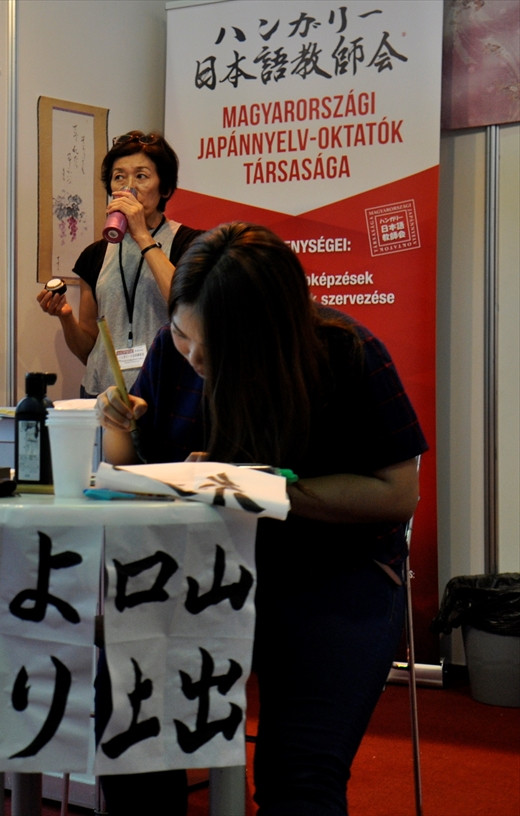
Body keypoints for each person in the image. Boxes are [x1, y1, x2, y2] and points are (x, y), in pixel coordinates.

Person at [96, 222, 427, 815]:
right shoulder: (173, 353)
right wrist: (116, 426)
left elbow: (396, 492)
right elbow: (134, 472)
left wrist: (264, 488)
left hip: (331, 575)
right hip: (198, 573)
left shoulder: (346, 352)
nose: (195, 357)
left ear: (267, 335)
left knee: (297, 779)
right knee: (130, 741)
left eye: (214, 346)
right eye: (183, 336)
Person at [36, 130, 203, 398]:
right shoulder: (94, 255)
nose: (128, 188)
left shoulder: (191, 243)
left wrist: (142, 235)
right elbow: (88, 349)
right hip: (102, 394)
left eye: (141, 176)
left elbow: (187, 306)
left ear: (165, 188)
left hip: (166, 394)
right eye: (119, 177)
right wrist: (65, 316)